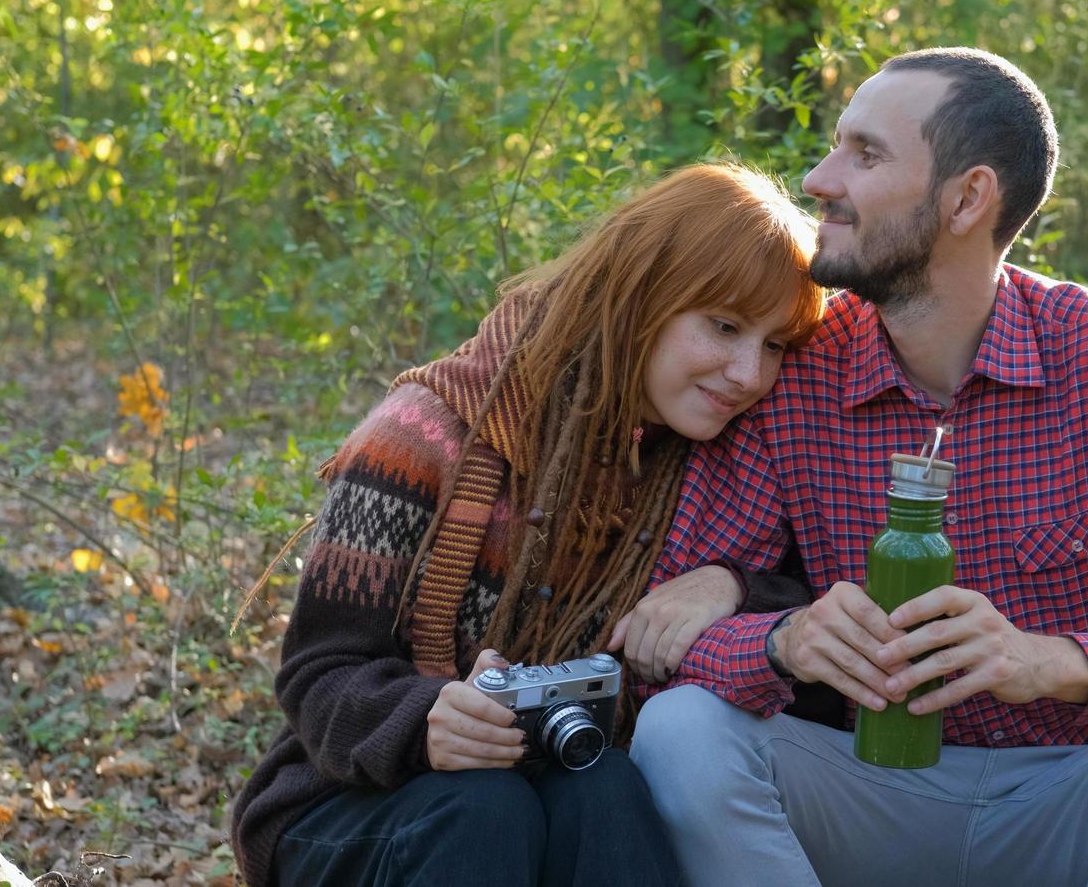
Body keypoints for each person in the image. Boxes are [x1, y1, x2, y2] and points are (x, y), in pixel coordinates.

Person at [628, 48, 1088, 886]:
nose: (821, 178)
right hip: (864, 792)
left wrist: (1040, 662)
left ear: (967, 198)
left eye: (864, 155)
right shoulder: (798, 367)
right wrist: (782, 636)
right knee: (682, 730)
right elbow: (660, 643)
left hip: (1067, 797)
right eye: (836, 146)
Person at [229, 162, 826, 887]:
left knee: (605, 788)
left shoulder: (700, 466)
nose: (747, 373)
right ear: (638, 297)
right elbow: (318, 677)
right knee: (484, 806)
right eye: (725, 326)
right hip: (346, 804)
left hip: (549, 782)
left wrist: (729, 584)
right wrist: (427, 721)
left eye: (772, 345)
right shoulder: (423, 439)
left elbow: (801, 599)